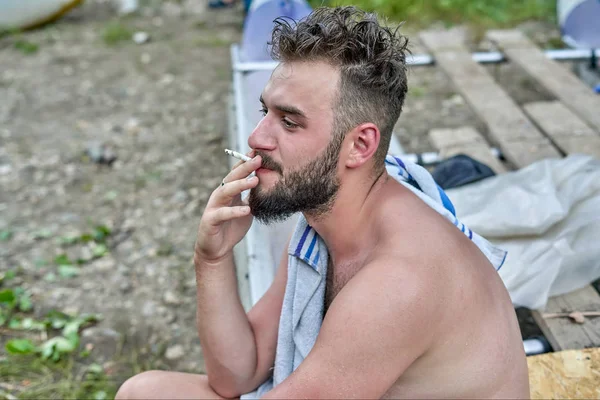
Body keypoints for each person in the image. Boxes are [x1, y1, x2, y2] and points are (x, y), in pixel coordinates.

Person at [116, 6, 530, 399]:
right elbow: (237, 374)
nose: (257, 138)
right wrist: (212, 260)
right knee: (144, 392)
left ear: (360, 145)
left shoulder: (398, 283)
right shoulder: (325, 226)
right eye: (265, 112)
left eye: (289, 121)